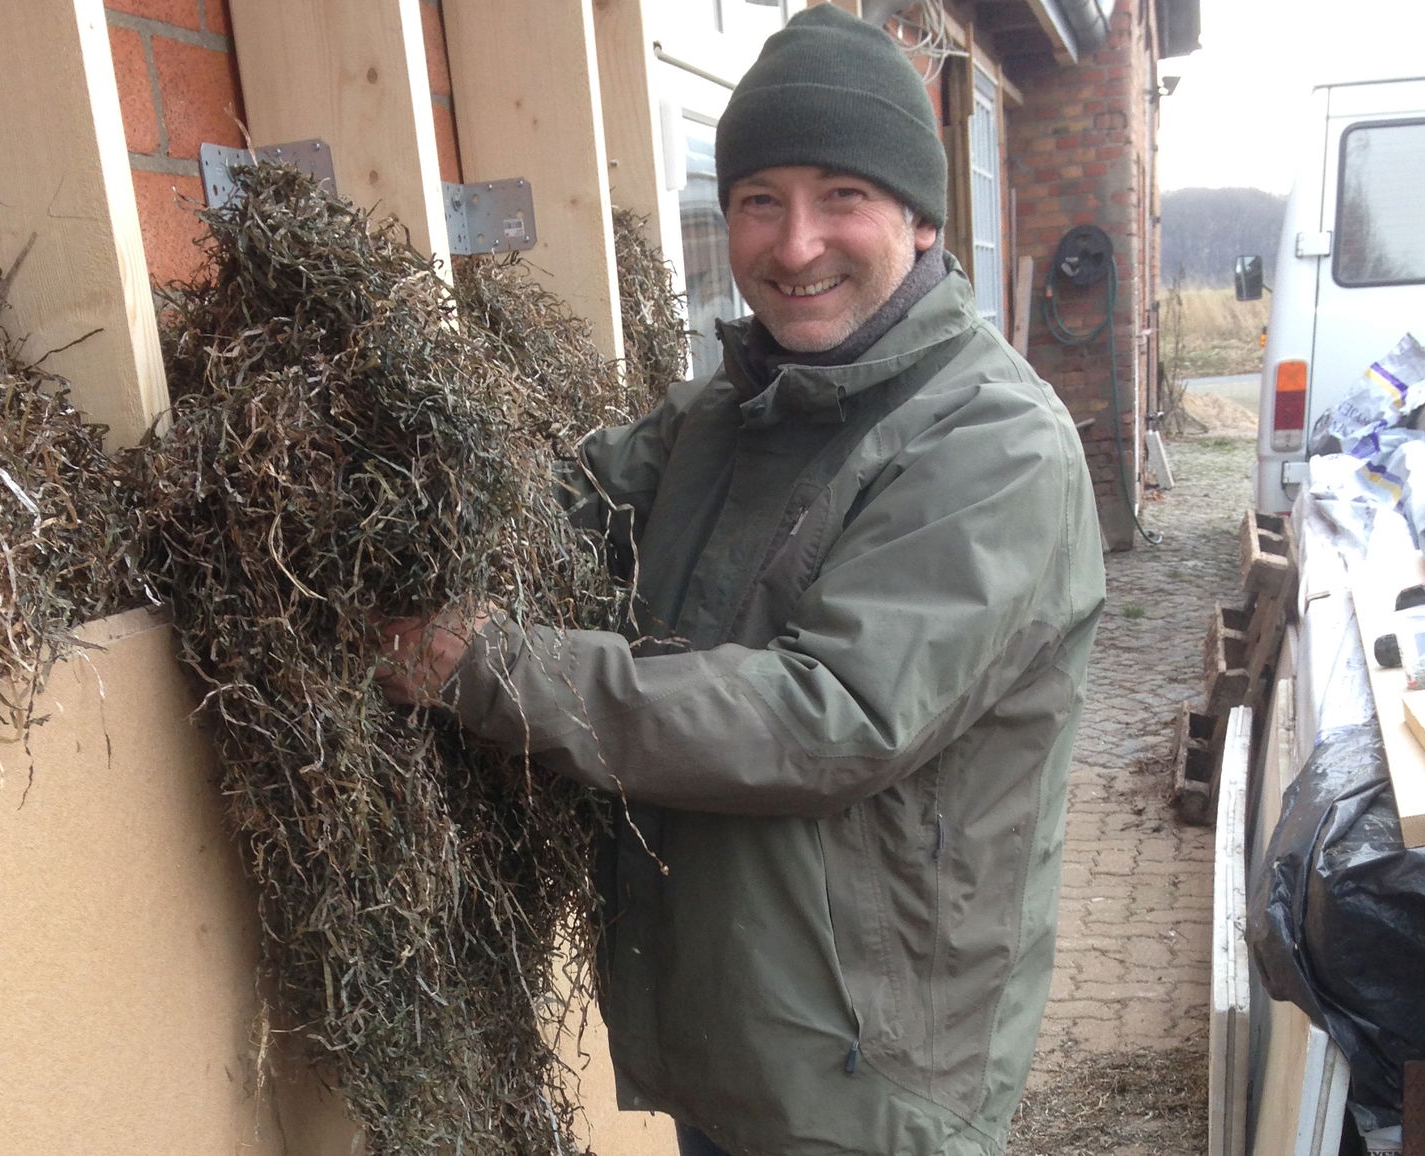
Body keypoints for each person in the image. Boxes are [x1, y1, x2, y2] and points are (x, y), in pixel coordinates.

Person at [380, 5, 1107, 1153]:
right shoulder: (730, 411)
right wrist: (387, 501)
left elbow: (830, 717)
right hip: (739, 1026)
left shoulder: (990, 444)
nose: (795, 242)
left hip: (865, 1069)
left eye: (841, 197)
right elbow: (565, 516)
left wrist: (484, 667)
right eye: (760, 200)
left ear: (918, 219)